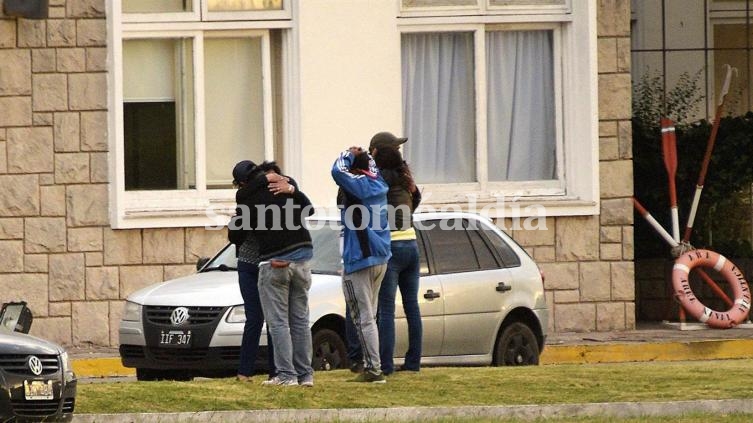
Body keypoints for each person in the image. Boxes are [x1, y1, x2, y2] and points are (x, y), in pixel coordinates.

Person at [234, 160, 316, 387]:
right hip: (303, 257)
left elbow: (237, 232)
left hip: (276, 260)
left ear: (243, 182)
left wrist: (263, 180)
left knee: (278, 322)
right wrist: (292, 189)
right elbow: (309, 209)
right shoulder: (287, 186)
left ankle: (286, 375)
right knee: (300, 321)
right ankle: (305, 375)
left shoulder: (249, 196)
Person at [331, 147, 392, 383]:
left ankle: (373, 369)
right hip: (380, 258)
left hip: (360, 260)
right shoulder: (379, 184)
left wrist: (346, 153)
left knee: (363, 318)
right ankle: (373, 365)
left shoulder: (360, 186)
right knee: (371, 316)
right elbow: (368, 167)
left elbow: (336, 171)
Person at [372, 144, 423, 375]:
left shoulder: (380, 180)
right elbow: (417, 199)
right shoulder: (406, 182)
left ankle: (386, 365)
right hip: (411, 244)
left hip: (391, 248)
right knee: (412, 307)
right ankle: (413, 363)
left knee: (386, 310)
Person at [228, 160, 275, 383]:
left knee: (271, 319)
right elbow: (235, 236)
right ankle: (245, 371)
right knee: (256, 318)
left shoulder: (267, 195)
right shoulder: (246, 200)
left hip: (265, 263)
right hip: (249, 263)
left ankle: (275, 370)